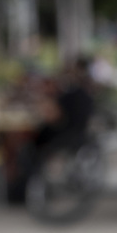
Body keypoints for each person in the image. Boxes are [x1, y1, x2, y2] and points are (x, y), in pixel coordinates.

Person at [9, 57, 95, 204]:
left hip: (61, 140)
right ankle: (28, 188)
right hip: (76, 137)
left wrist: (42, 107)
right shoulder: (86, 93)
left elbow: (54, 116)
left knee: (25, 150)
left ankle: (27, 189)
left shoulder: (71, 94)